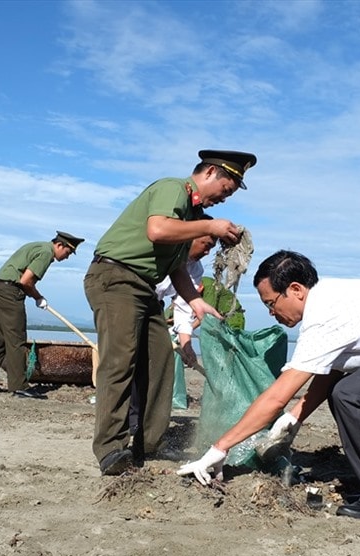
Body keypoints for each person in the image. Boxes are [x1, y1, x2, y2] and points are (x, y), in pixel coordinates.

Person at [178, 251, 360, 523]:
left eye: (271, 303)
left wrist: (219, 448)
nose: (271, 313)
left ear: (295, 289)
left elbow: (277, 395)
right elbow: (328, 375)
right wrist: (294, 419)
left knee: (352, 395)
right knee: (346, 391)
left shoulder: (325, 314)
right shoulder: (331, 298)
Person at [85, 149, 256, 476]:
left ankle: (146, 444)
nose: (224, 199)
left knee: (162, 358)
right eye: (226, 190)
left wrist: (195, 301)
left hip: (143, 286)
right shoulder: (173, 189)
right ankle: (110, 449)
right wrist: (212, 225)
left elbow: (177, 266)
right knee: (120, 360)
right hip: (116, 277)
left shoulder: (191, 216)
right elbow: (157, 230)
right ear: (209, 173)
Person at [0, 231, 84, 397]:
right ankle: (19, 386)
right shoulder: (46, 253)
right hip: (10, 291)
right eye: (68, 252)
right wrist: (38, 297)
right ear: (59, 245)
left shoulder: (37, 246)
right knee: (17, 340)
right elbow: (25, 281)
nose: (67, 257)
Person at [154, 229, 217, 410]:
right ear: (190, 238)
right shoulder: (162, 253)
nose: (207, 252)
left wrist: (186, 344)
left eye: (211, 248)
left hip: (154, 305)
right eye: (206, 245)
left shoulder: (196, 269)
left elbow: (183, 306)